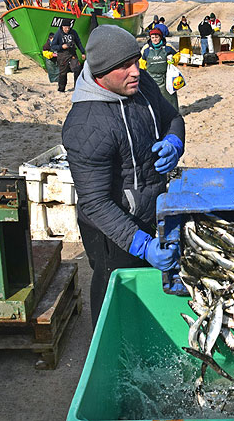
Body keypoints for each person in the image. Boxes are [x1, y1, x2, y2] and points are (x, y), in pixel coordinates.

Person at [62, 25, 185, 325]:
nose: (135, 71)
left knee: (147, 298)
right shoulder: (86, 126)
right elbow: (95, 204)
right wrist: (142, 244)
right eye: (124, 66)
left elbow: (173, 117)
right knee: (113, 300)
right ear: (101, 74)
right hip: (112, 234)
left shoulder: (142, 86)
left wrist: (174, 142)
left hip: (151, 211)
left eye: (135, 61)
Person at [140, 28, 181, 110]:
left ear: (160, 37)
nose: (155, 39)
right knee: (153, 100)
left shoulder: (167, 47)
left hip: (166, 78)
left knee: (170, 100)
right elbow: (141, 64)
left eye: (157, 37)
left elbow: (177, 55)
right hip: (152, 79)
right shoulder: (146, 50)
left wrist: (173, 60)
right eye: (153, 37)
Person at [50, 18, 86, 92]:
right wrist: (61, 47)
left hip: (72, 53)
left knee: (77, 68)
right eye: (65, 27)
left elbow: (78, 43)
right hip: (62, 55)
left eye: (68, 27)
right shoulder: (58, 34)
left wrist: (83, 52)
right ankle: (61, 89)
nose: (67, 29)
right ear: (62, 27)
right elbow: (53, 46)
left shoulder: (73, 33)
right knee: (63, 73)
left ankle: (77, 87)